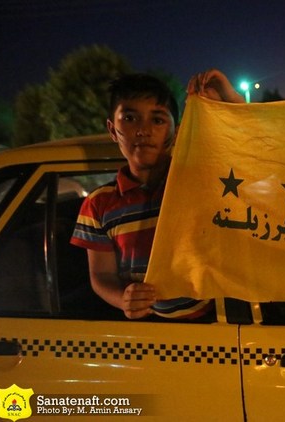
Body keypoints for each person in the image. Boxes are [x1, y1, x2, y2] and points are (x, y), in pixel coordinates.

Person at [70, 70, 244, 319]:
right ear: (112, 128)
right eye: (130, 118)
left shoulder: (200, 181)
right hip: (151, 335)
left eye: (158, 120)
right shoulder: (98, 204)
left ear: (176, 129)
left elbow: (251, 152)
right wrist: (124, 300)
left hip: (213, 324)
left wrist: (231, 100)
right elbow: (102, 276)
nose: (144, 130)